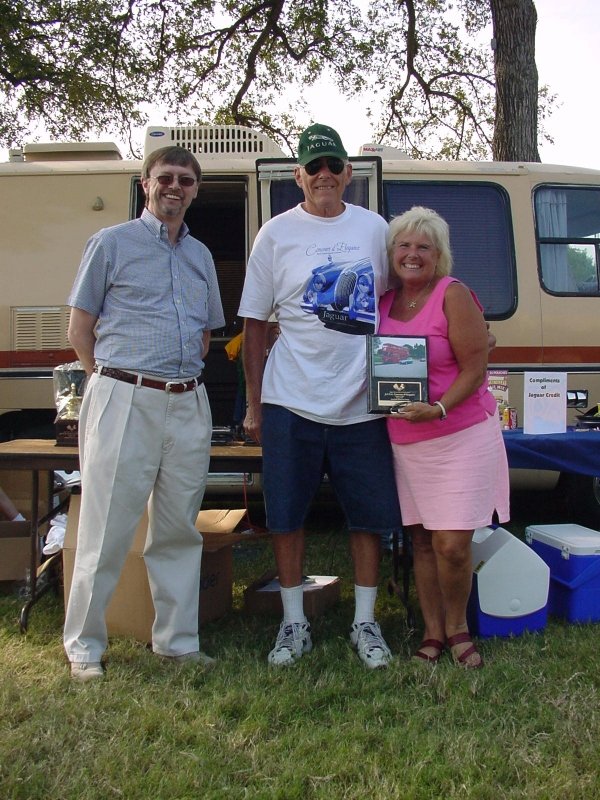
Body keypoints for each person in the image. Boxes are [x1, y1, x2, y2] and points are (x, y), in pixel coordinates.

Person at [239, 123, 402, 669]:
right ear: (298, 176)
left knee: (368, 518)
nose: (325, 175)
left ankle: (365, 623)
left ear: (349, 174)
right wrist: (255, 405)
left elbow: (398, 305)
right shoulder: (275, 234)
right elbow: (255, 325)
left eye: (334, 165)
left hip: (361, 403)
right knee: (285, 515)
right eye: (314, 167)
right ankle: (293, 624)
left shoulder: (376, 229)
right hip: (290, 402)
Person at [63, 145, 225, 681]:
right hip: (123, 394)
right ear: (145, 183)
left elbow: (206, 335)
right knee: (106, 526)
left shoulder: (202, 257)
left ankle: (177, 641)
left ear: (196, 189)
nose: (174, 187)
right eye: (164, 178)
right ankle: (84, 646)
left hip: (187, 401)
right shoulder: (110, 244)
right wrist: (107, 384)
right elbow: (79, 330)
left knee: (179, 528)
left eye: (185, 180)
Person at [379, 206, 510, 669]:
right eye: (404, 246)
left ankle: (458, 628)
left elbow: (476, 368)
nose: (412, 255)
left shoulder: (452, 294)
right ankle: (432, 633)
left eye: (424, 247)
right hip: (404, 441)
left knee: (452, 545)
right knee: (420, 543)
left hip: (460, 434)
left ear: (439, 256)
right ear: (392, 252)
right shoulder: (381, 302)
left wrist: (437, 408)